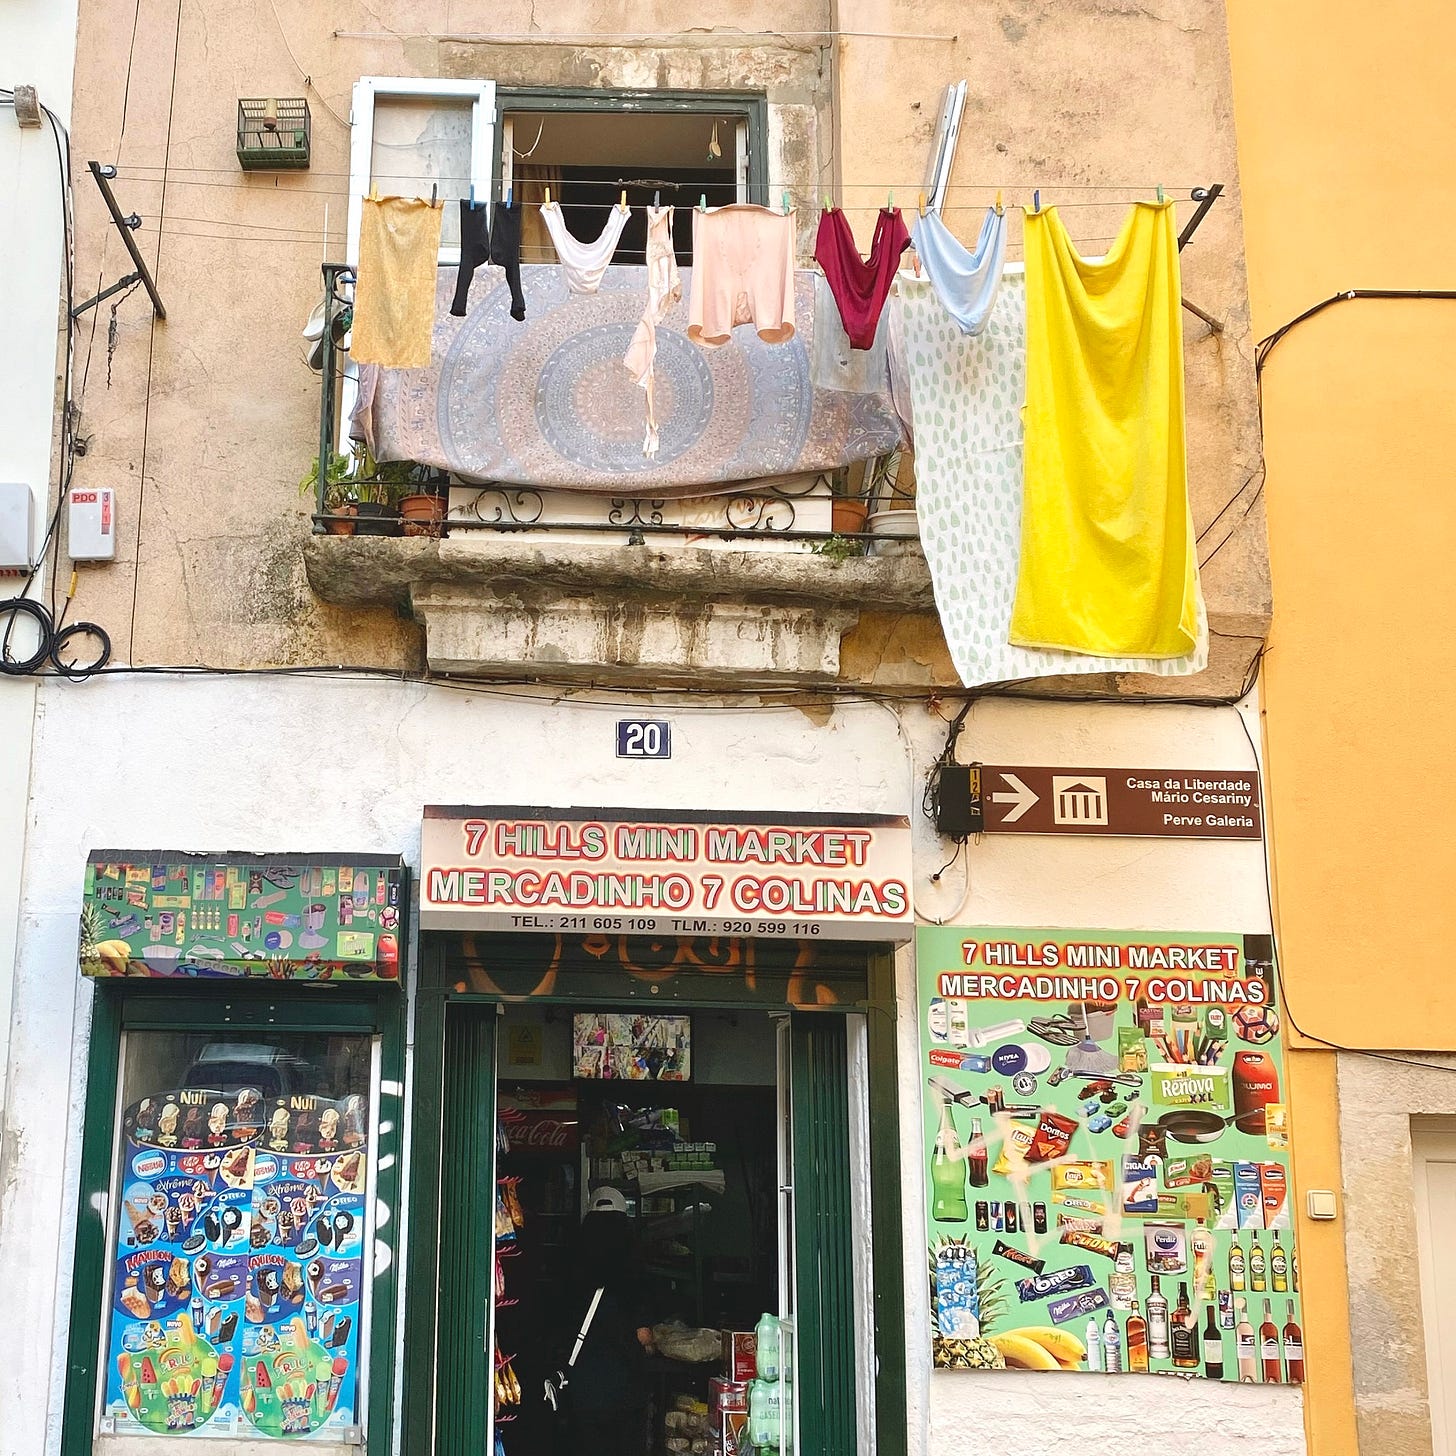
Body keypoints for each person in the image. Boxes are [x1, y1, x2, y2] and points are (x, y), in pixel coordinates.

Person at [561, 1187, 655, 1456]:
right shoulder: (633, 1277)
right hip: (624, 1390)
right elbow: (644, 1336)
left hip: (582, 1388)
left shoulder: (572, 1271)